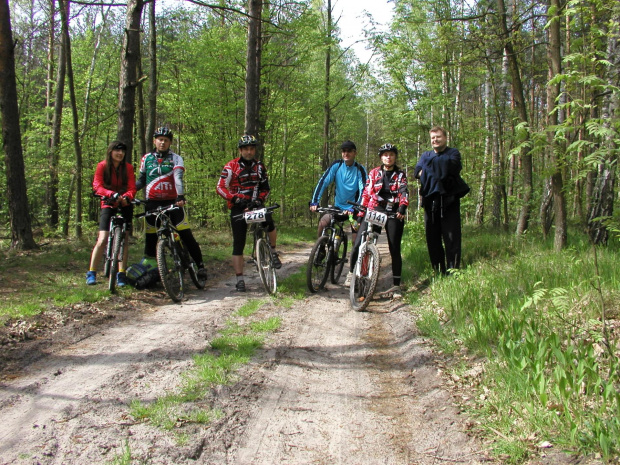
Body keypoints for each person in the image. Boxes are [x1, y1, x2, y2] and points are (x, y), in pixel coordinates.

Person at [135, 127, 207, 281]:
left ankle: (200, 265)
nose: (162, 142)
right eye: (160, 139)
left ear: (170, 143)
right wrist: (130, 193)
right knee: (150, 236)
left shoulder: (176, 158)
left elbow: (178, 177)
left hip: (172, 202)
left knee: (186, 234)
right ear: (154, 141)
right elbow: (141, 179)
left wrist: (180, 196)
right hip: (152, 202)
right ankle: (153, 269)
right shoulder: (146, 158)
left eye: (166, 140)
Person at [216, 134, 281, 292]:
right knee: (238, 243)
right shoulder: (231, 166)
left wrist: (259, 199)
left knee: (270, 221)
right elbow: (220, 187)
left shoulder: (260, 167)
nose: (249, 152)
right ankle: (239, 279)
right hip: (238, 206)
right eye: (246, 149)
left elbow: (266, 188)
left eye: (252, 149)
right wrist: (235, 199)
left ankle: (272, 251)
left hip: (255, 204)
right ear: (240, 150)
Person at [347, 143, 409, 298]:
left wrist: (402, 207)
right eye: (385, 154)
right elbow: (366, 193)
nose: (388, 157)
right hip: (375, 210)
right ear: (381, 157)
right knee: (360, 242)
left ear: (395, 157)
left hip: (393, 212)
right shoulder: (374, 173)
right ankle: (353, 275)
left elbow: (403, 191)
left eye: (391, 154)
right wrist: (361, 212)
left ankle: (396, 286)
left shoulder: (400, 175)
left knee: (394, 249)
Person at [414, 126, 470, 275]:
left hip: (449, 200)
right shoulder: (425, 155)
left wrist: (427, 170)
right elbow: (416, 172)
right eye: (433, 138)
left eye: (438, 137)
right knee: (432, 238)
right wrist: (437, 167)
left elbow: (453, 167)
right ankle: (439, 270)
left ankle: (453, 270)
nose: (435, 140)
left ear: (445, 138)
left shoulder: (453, 153)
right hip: (430, 201)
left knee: (451, 237)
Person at [86, 141, 137, 286]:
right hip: (108, 203)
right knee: (102, 239)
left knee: (124, 239)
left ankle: (121, 273)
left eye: (122, 151)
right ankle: (91, 272)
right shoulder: (102, 166)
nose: (120, 154)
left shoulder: (128, 168)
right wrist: (110, 194)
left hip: (124, 204)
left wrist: (127, 196)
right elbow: (97, 185)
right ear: (110, 152)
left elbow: (132, 187)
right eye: (117, 151)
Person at [309, 140, 367, 242]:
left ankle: (354, 256)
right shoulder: (337, 165)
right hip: (338, 207)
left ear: (355, 153)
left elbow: (364, 191)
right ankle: (320, 250)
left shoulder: (359, 169)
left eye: (349, 151)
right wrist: (315, 201)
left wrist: (355, 207)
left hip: (354, 209)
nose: (346, 153)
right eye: (344, 151)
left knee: (356, 241)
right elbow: (323, 182)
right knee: (323, 223)